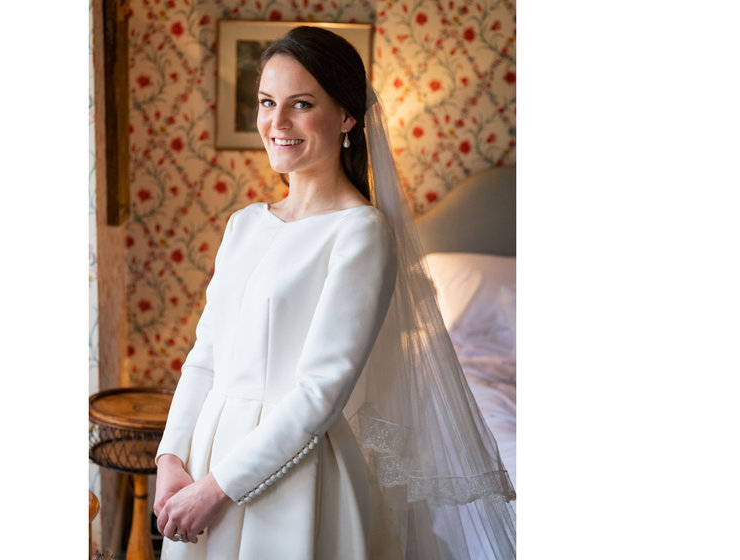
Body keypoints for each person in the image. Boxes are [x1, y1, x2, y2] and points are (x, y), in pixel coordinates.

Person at [153, 26, 515, 560]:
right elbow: (204, 357)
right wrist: (171, 461)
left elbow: (320, 392)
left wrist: (216, 489)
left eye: (301, 104)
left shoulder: (361, 233)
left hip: (293, 479)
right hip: (207, 453)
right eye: (267, 103)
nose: (277, 123)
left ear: (346, 117)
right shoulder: (245, 224)